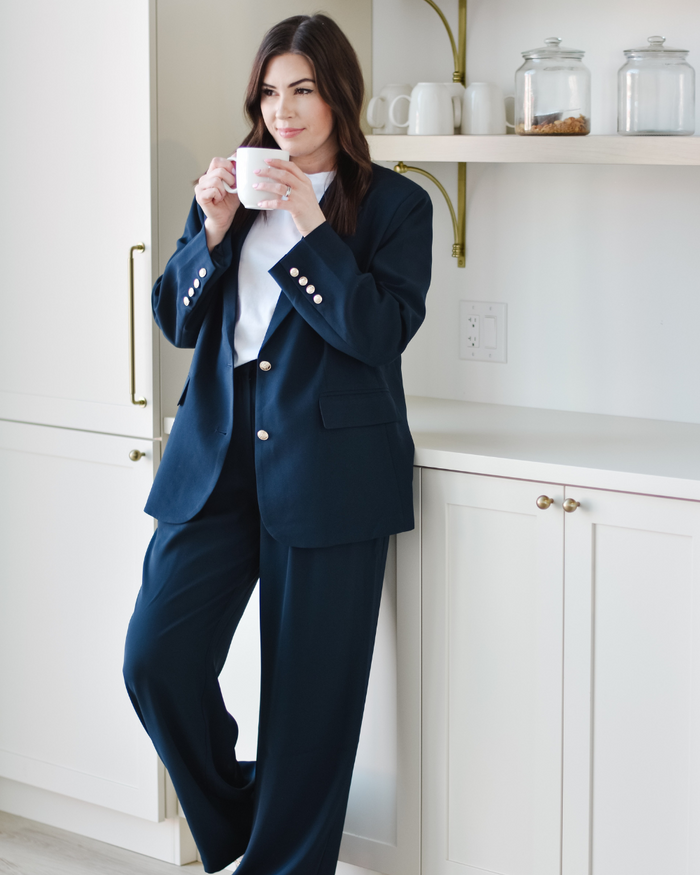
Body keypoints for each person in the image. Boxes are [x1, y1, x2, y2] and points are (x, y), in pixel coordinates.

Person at [123, 13, 432, 875]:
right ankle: (252, 814)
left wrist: (308, 226)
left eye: (303, 89)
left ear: (339, 94)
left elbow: (376, 332)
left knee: (309, 702)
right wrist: (214, 231)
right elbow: (176, 320)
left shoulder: (396, 205)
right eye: (270, 91)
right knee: (156, 658)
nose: (284, 111)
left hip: (331, 467)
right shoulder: (230, 186)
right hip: (217, 460)